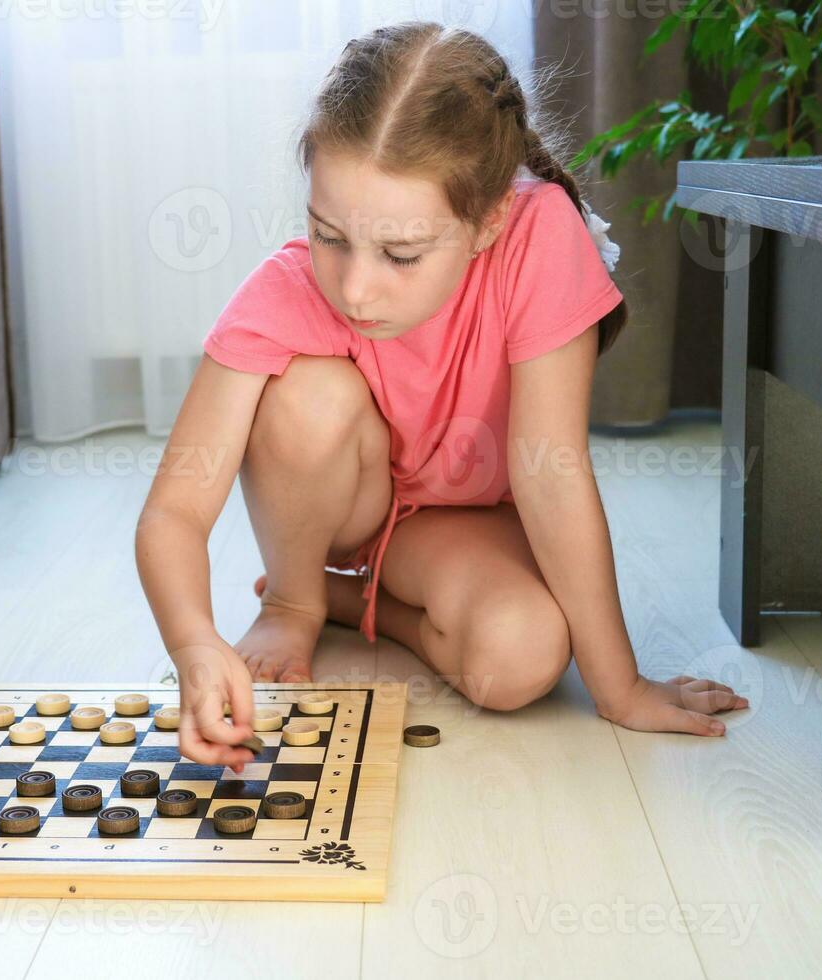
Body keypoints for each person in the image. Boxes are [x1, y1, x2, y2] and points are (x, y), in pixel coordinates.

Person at [134, 21, 748, 770]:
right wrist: (194, 644)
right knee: (308, 394)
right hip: (353, 504)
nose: (355, 288)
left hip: (467, 520)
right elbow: (174, 509)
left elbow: (550, 472)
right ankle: (296, 596)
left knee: (522, 658)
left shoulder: (541, 233)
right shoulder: (286, 293)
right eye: (328, 235)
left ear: (489, 221)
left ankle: (350, 603)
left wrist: (619, 688)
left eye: (400, 254)